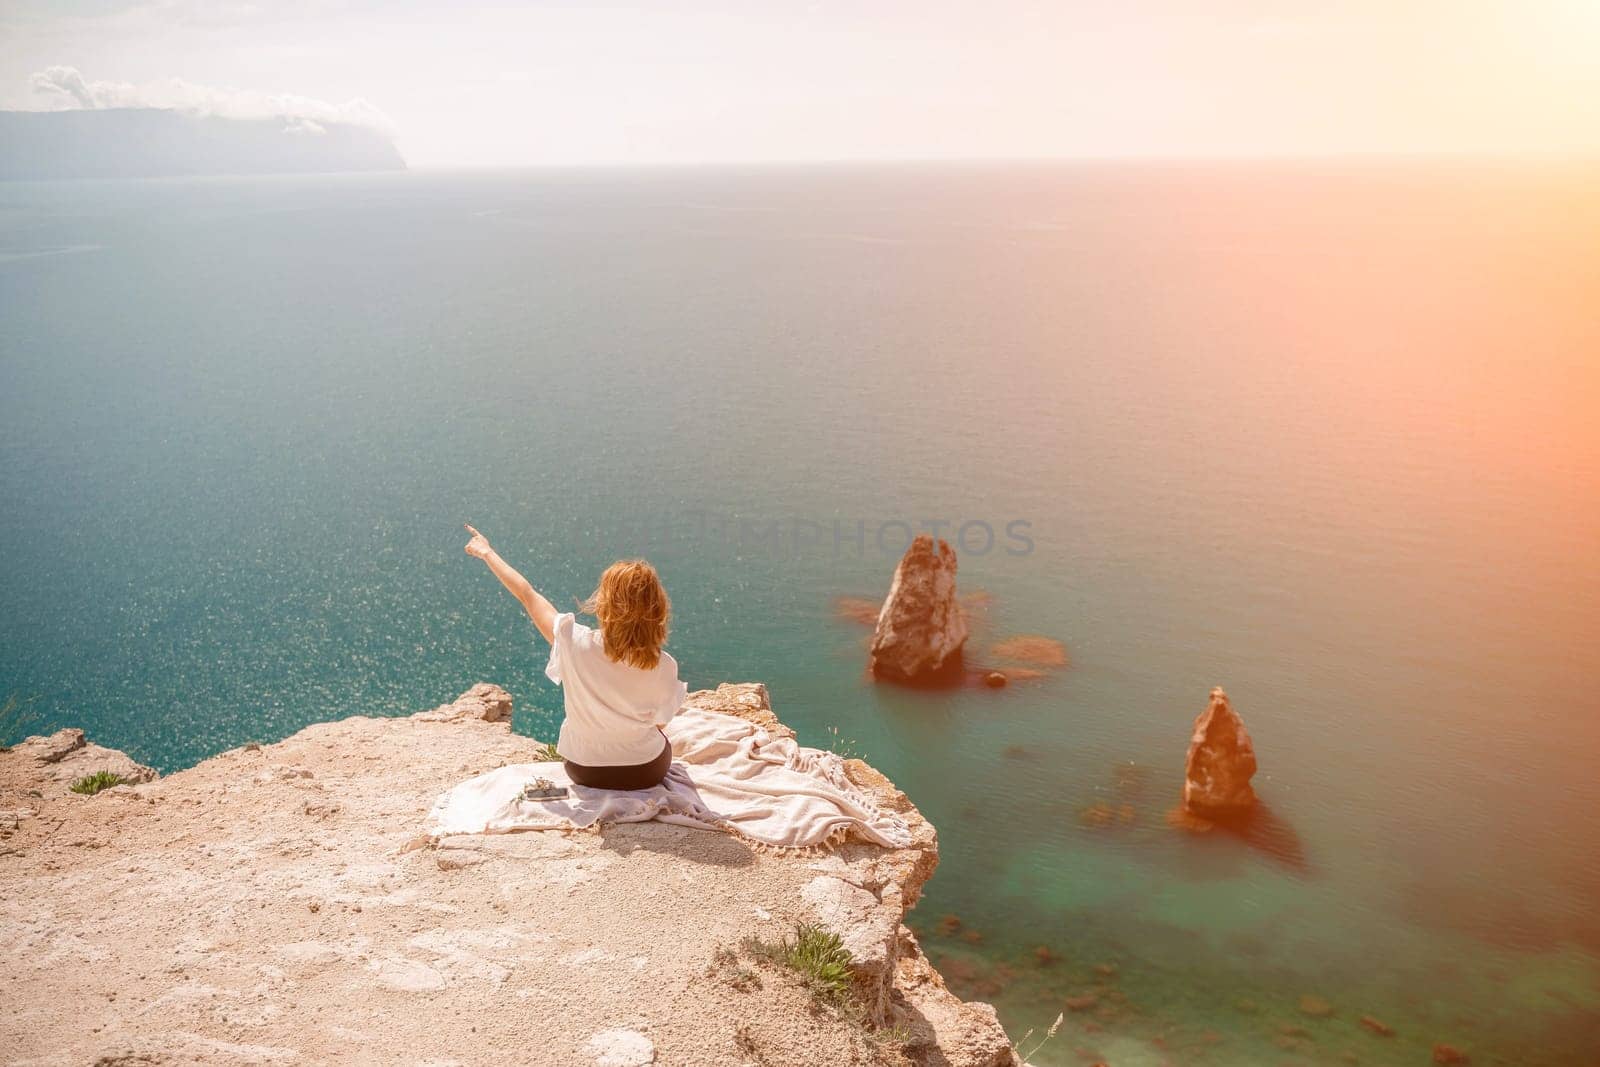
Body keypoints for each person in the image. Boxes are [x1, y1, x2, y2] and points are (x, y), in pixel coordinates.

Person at [464, 524, 686, 790]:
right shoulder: (663, 665)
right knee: (658, 738)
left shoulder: (572, 640)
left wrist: (487, 552)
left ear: (604, 603)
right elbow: (660, 722)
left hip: (584, 770)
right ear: (657, 606)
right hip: (644, 772)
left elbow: (527, 593)